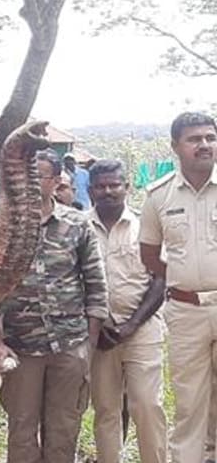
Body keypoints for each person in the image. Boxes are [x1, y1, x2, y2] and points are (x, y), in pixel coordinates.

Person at [0, 149, 107, 463]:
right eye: (26, 177)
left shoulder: (77, 224)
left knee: (64, 430)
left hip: (69, 345)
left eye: (38, 177)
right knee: (22, 432)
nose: (30, 184)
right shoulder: (2, 225)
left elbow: (95, 285)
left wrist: (87, 347)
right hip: (20, 348)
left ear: (56, 181)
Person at [140, 111, 217, 463]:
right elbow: (150, 255)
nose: (204, 145)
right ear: (176, 146)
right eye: (194, 139)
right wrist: (183, 281)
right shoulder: (159, 196)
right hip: (185, 312)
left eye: (210, 137)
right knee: (190, 402)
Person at [85, 159, 166, 463]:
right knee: (105, 410)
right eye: (101, 186)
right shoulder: (79, 228)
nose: (108, 191)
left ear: (126, 187)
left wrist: (131, 325)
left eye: (114, 185)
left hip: (142, 330)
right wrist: (96, 325)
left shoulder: (147, 226)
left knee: (146, 405)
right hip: (99, 335)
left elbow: (161, 279)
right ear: (91, 190)